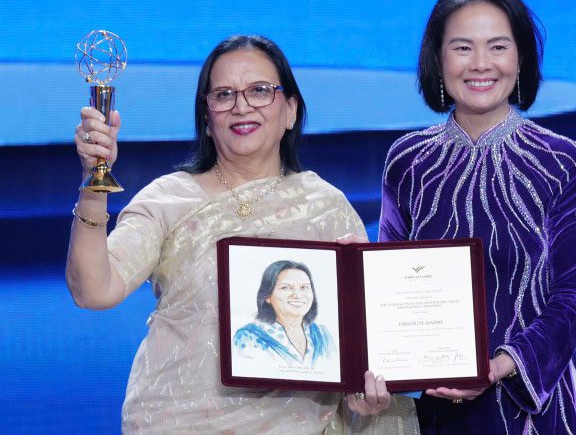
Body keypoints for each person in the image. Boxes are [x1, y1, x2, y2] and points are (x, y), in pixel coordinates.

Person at [66, 35, 419, 433]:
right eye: (223, 94)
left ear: (290, 110)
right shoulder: (168, 199)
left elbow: (357, 349)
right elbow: (94, 290)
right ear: (206, 117)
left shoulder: (326, 208)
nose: (242, 106)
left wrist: (363, 391)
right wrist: (93, 182)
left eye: (259, 91)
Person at [379, 0, 576, 434]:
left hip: (537, 409)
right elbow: (388, 287)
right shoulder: (407, 161)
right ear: (438, 60)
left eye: (498, 47)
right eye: (462, 48)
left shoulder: (561, 161)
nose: (481, 64)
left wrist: (502, 364)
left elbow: (574, 297)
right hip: (437, 410)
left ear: (521, 58)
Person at [233, 260, 336, 368]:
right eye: (286, 287)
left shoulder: (323, 334)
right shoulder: (248, 337)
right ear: (267, 296)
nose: (297, 295)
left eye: (304, 287)